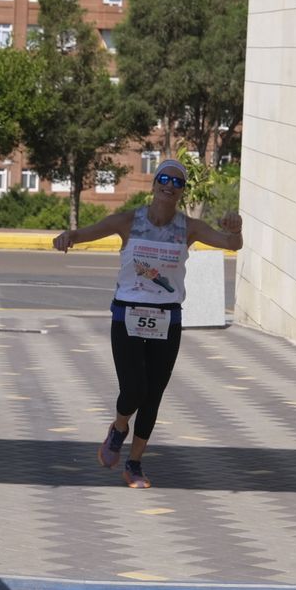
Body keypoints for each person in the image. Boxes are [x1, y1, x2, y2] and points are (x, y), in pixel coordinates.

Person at [51, 158, 242, 488]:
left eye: (178, 181)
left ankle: (135, 463)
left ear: (182, 191)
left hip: (168, 317)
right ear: (154, 185)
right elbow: (90, 231)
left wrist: (235, 230)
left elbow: (230, 244)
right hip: (128, 313)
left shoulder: (189, 227)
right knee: (134, 388)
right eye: (164, 178)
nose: (170, 185)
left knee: (153, 395)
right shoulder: (130, 220)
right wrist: (69, 237)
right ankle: (119, 427)